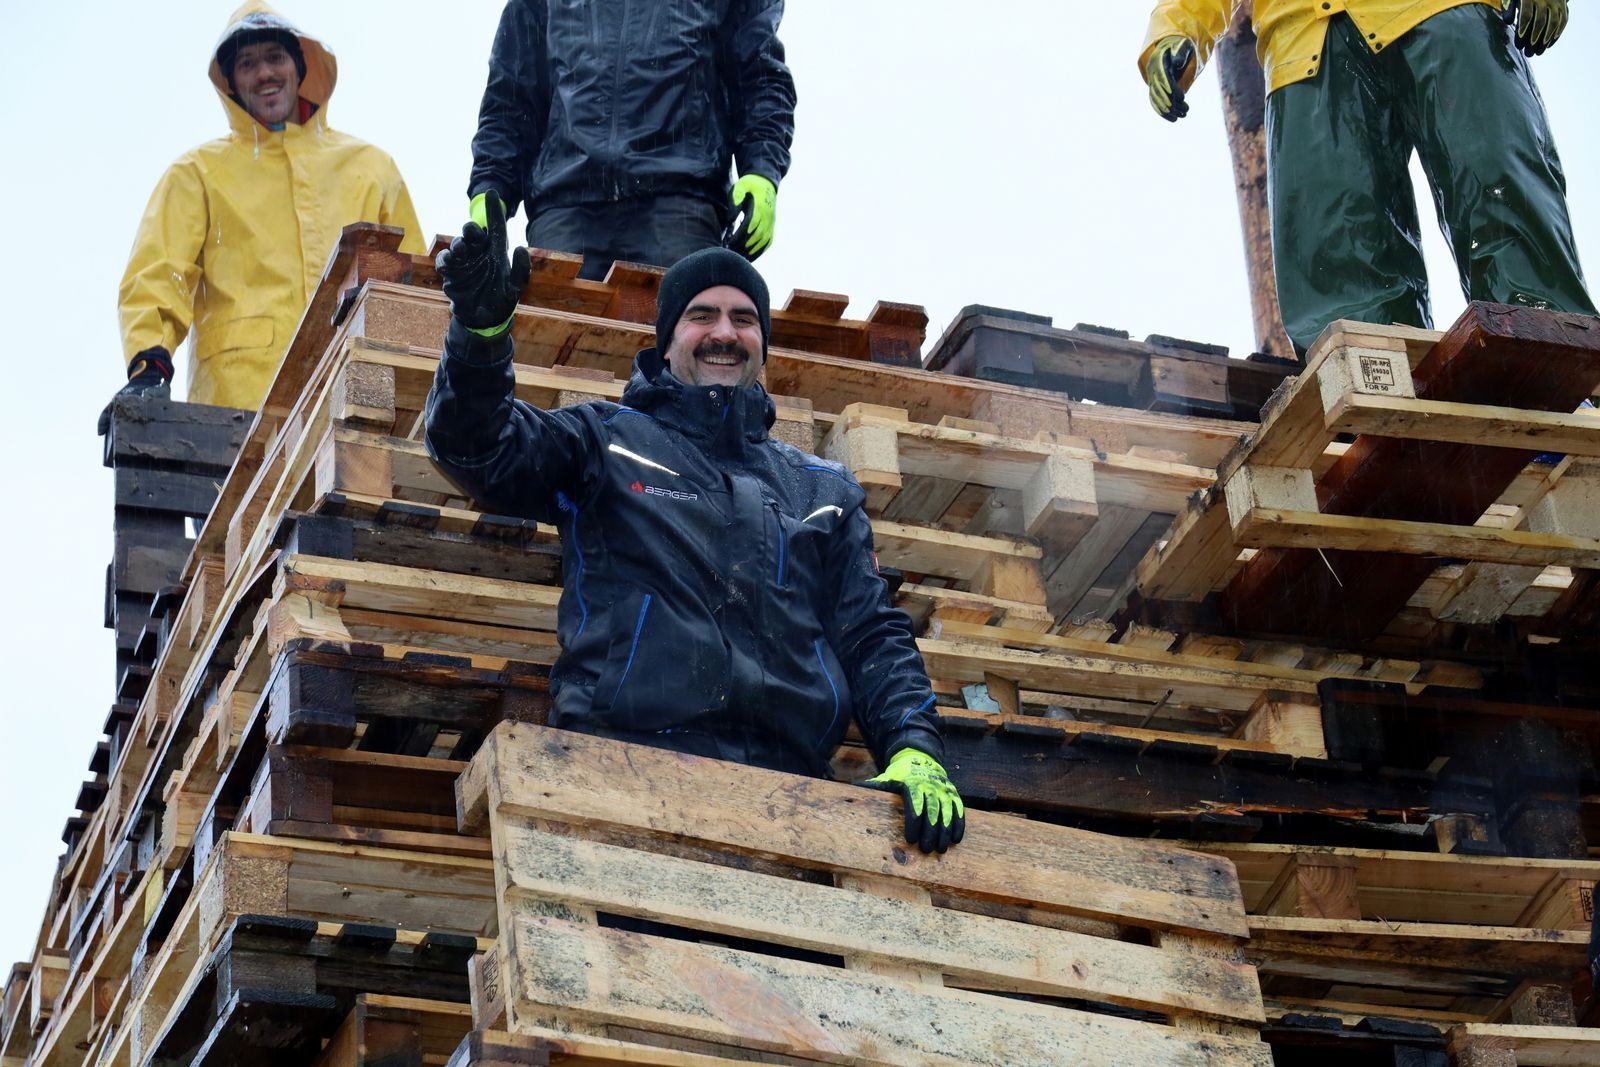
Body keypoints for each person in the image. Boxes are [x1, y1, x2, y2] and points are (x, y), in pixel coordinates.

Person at [423, 195, 964, 853]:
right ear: (669, 338)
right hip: (623, 779)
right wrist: (479, 339)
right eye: (700, 314)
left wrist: (914, 745)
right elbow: (478, 448)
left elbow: (872, 635)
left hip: (789, 801)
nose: (724, 332)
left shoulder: (822, 491)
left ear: (762, 341)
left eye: (743, 317)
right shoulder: (606, 443)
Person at [1140, 0, 1595, 357]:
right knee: (1336, 242)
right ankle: (1382, 399)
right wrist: (1175, 31)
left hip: (1445, 12)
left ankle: (1550, 366)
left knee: (1495, 178)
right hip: (1305, 41)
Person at [114, 1, 426, 412]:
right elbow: (158, 272)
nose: (264, 73)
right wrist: (148, 363)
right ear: (231, 83)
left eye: (275, 57)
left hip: (355, 395)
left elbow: (414, 280)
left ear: (300, 66)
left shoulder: (371, 168)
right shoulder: (198, 173)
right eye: (247, 63)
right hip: (239, 406)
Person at [466, 0, 796, 281]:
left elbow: (759, 78)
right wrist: (490, 189)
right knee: (549, 347)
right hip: (566, 208)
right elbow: (512, 95)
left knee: (680, 348)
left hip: (679, 205)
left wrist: (762, 170)